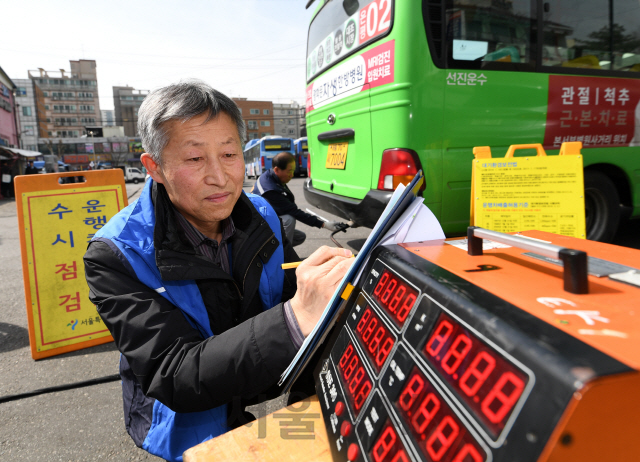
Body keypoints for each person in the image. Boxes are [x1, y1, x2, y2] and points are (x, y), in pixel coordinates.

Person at [83, 80, 353, 461]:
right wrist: (297, 315)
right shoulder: (115, 254)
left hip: (257, 373)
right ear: (154, 167)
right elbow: (173, 373)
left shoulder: (261, 213)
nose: (220, 176)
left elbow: (275, 284)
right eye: (195, 159)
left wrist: (319, 279)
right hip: (184, 415)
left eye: (229, 154)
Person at [250, 151, 344, 246]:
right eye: (289, 171)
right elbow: (294, 212)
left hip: (264, 221)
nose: (292, 175)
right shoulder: (270, 190)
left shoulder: (270, 175)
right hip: (257, 230)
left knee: (299, 237)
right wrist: (324, 224)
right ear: (277, 170)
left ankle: (279, 249)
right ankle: (283, 257)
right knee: (289, 219)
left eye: (293, 170)